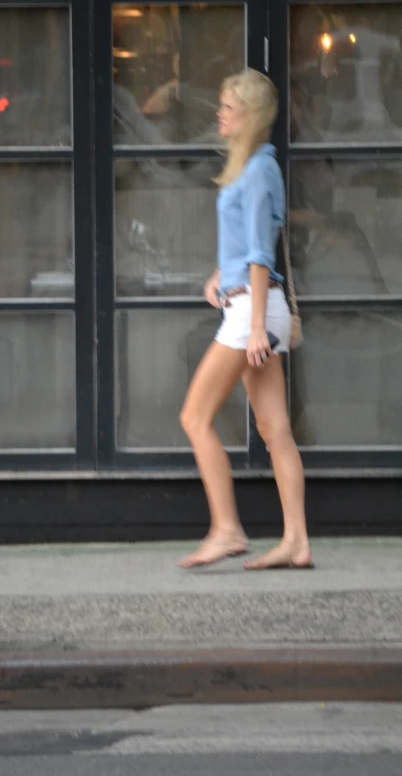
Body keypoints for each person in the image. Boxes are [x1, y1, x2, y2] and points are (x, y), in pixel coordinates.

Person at [178, 69, 312, 570]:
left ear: (249, 116)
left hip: (252, 311)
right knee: (275, 428)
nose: (220, 114)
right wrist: (220, 273)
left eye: (229, 107)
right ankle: (296, 541)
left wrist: (255, 325)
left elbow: (261, 253)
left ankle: (227, 530)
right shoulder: (253, 167)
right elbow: (246, 246)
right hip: (252, 303)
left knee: (194, 417)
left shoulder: (257, 170)